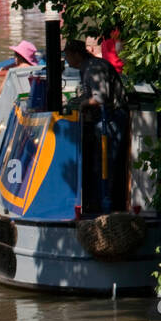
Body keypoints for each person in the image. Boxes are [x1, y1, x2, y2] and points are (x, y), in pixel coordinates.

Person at [63, 36, 129, 213]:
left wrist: (82, 104)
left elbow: (100, 97)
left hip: (111, 119)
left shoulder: (94, 68)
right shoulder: (87, 67)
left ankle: (106, 203)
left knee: (106, 161)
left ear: (76, 54)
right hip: (104, 119)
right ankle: (98, 199)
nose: (66, 60)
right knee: (99, 160)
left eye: (67, 56)